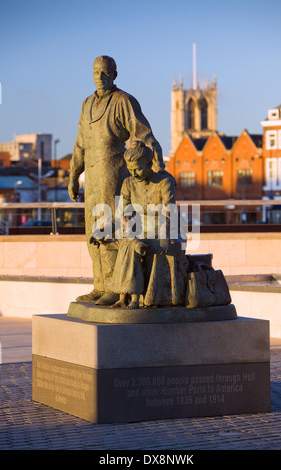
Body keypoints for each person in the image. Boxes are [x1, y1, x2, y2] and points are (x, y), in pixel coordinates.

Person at [68, 55, 165, 305]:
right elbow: (80, 143)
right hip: (91, 175)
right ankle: (99, 285)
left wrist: (156, 158)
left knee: (109, 228)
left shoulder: (123, 101)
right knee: (92, 231)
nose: (99, 77)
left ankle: (114, 286)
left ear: (114, 75)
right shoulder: (87, 103)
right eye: (95, 73)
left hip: (113, 170)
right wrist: (73, 175)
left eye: (104, 73)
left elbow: (142, 131)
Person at [120, 141, 188, 307]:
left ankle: (155, 298)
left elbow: (169, 212)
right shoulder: (128, 183)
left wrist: (165, 236)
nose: (133, 173)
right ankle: (126, 296)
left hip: (164, 230)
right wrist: (130, 237)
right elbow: (124, 213)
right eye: (130, 169)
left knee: (155, 247)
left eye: (137, 168)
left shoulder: (165, 182)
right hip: (139, 231)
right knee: (127, 247)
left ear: (149, 164)